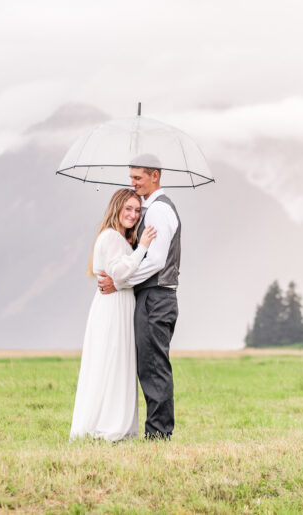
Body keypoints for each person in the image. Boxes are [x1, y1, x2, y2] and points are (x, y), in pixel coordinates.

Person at [97, 153, 181, 440]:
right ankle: (157, 431)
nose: (132, 183)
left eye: (138, 177)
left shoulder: (158, 211)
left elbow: (155, 261)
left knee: (153, 366)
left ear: (154, 175)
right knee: (150, 364)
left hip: (155, 297)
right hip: (156, 297)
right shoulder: (155, 208)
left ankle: (158, 434)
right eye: (131, 177)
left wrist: (119, 283)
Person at [70, 188, 156, 441]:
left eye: (137, 210)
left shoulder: (118, 239)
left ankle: (109, 422)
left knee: (115, 361)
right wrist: (142, 248)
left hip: (116, 304)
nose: (133, 214)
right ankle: (109, 426)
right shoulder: (112, 238)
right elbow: (119, 273)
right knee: (113, 360)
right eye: (128, 208)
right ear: (116, 208)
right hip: (113, 306)